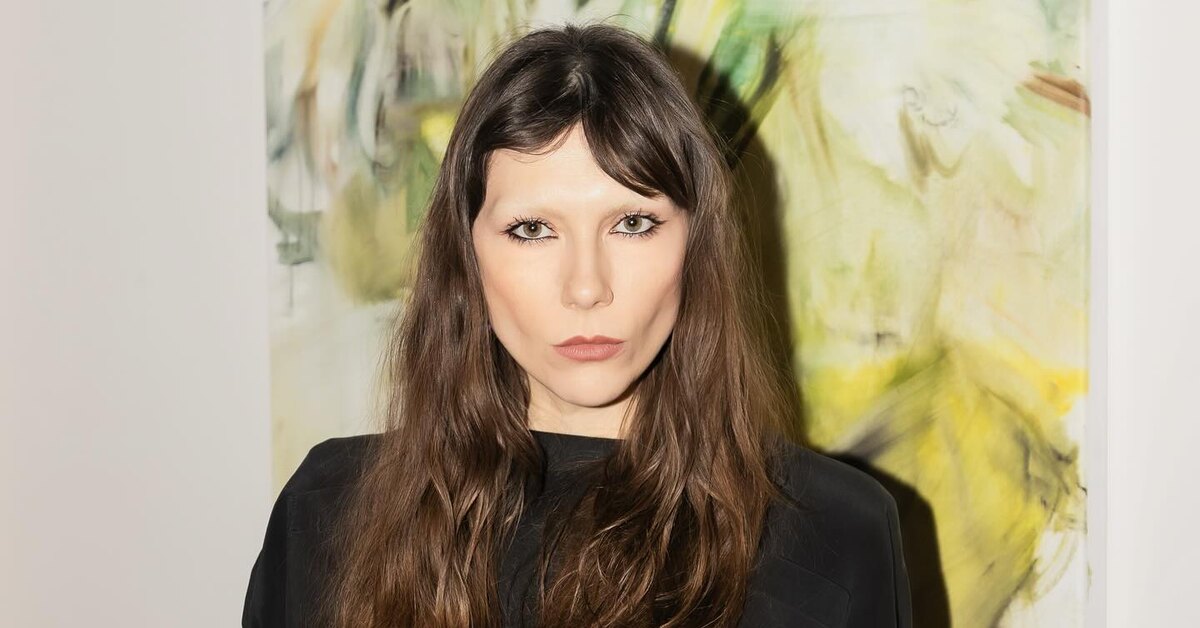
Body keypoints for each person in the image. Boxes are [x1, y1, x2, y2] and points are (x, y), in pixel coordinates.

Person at [243, 21, 913, 628]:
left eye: (633, 223)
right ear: (466, 254)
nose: (587, 287)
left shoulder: (836, 533)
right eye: (533, 229)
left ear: (696, 244)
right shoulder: (326, 511)